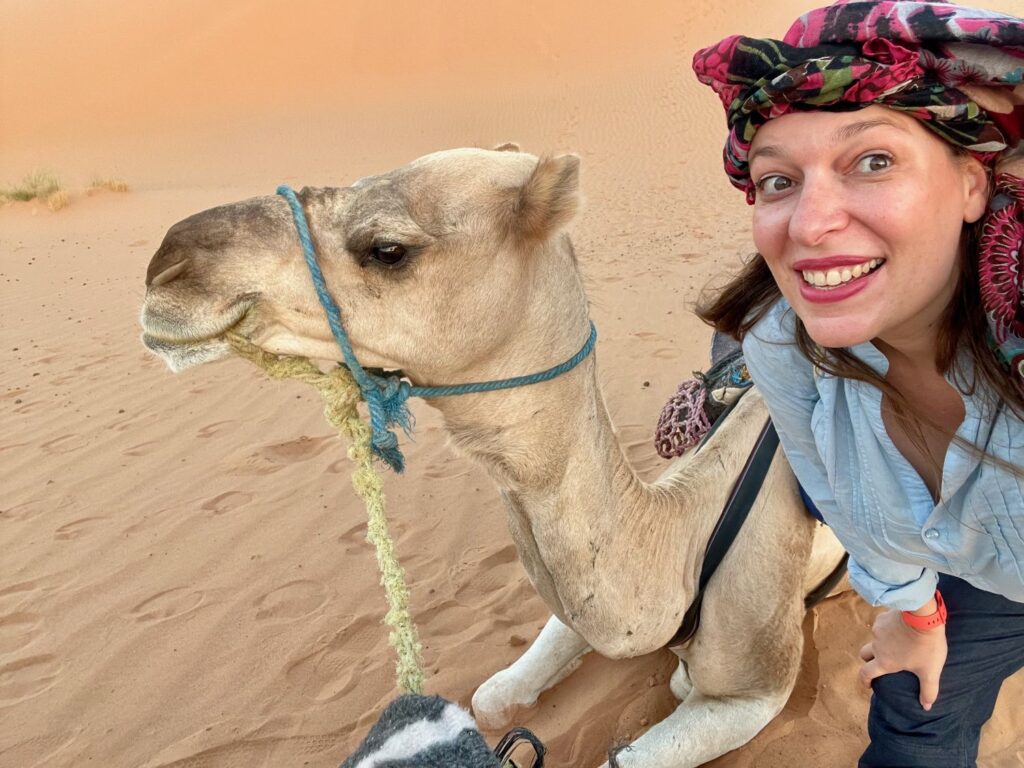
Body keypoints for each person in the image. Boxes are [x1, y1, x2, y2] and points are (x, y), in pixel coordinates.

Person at [691, 2, 1024, 766]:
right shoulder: (782, 340)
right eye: (778, 180)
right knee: (910, 708)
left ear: (974, 185)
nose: (809, 225)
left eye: (872, 161)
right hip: (963, 571)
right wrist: (911, 611)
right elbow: (843, 498)